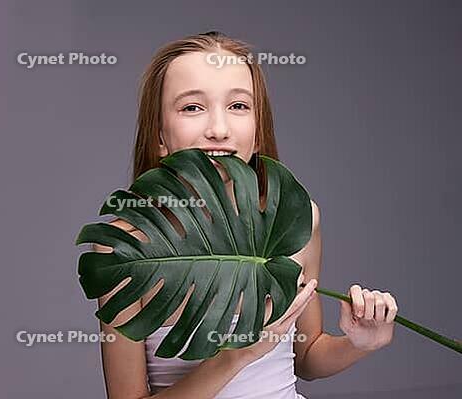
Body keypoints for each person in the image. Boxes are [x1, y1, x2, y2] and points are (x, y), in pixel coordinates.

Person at [93, 31, 399, 399]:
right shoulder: (127, 249)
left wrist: (360, 343)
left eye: (238, 106)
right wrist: (236, 356)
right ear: (160, 134)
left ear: (257, 129)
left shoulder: (296, 222)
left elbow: (307, 357)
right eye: (192, 107)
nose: (219, 130)